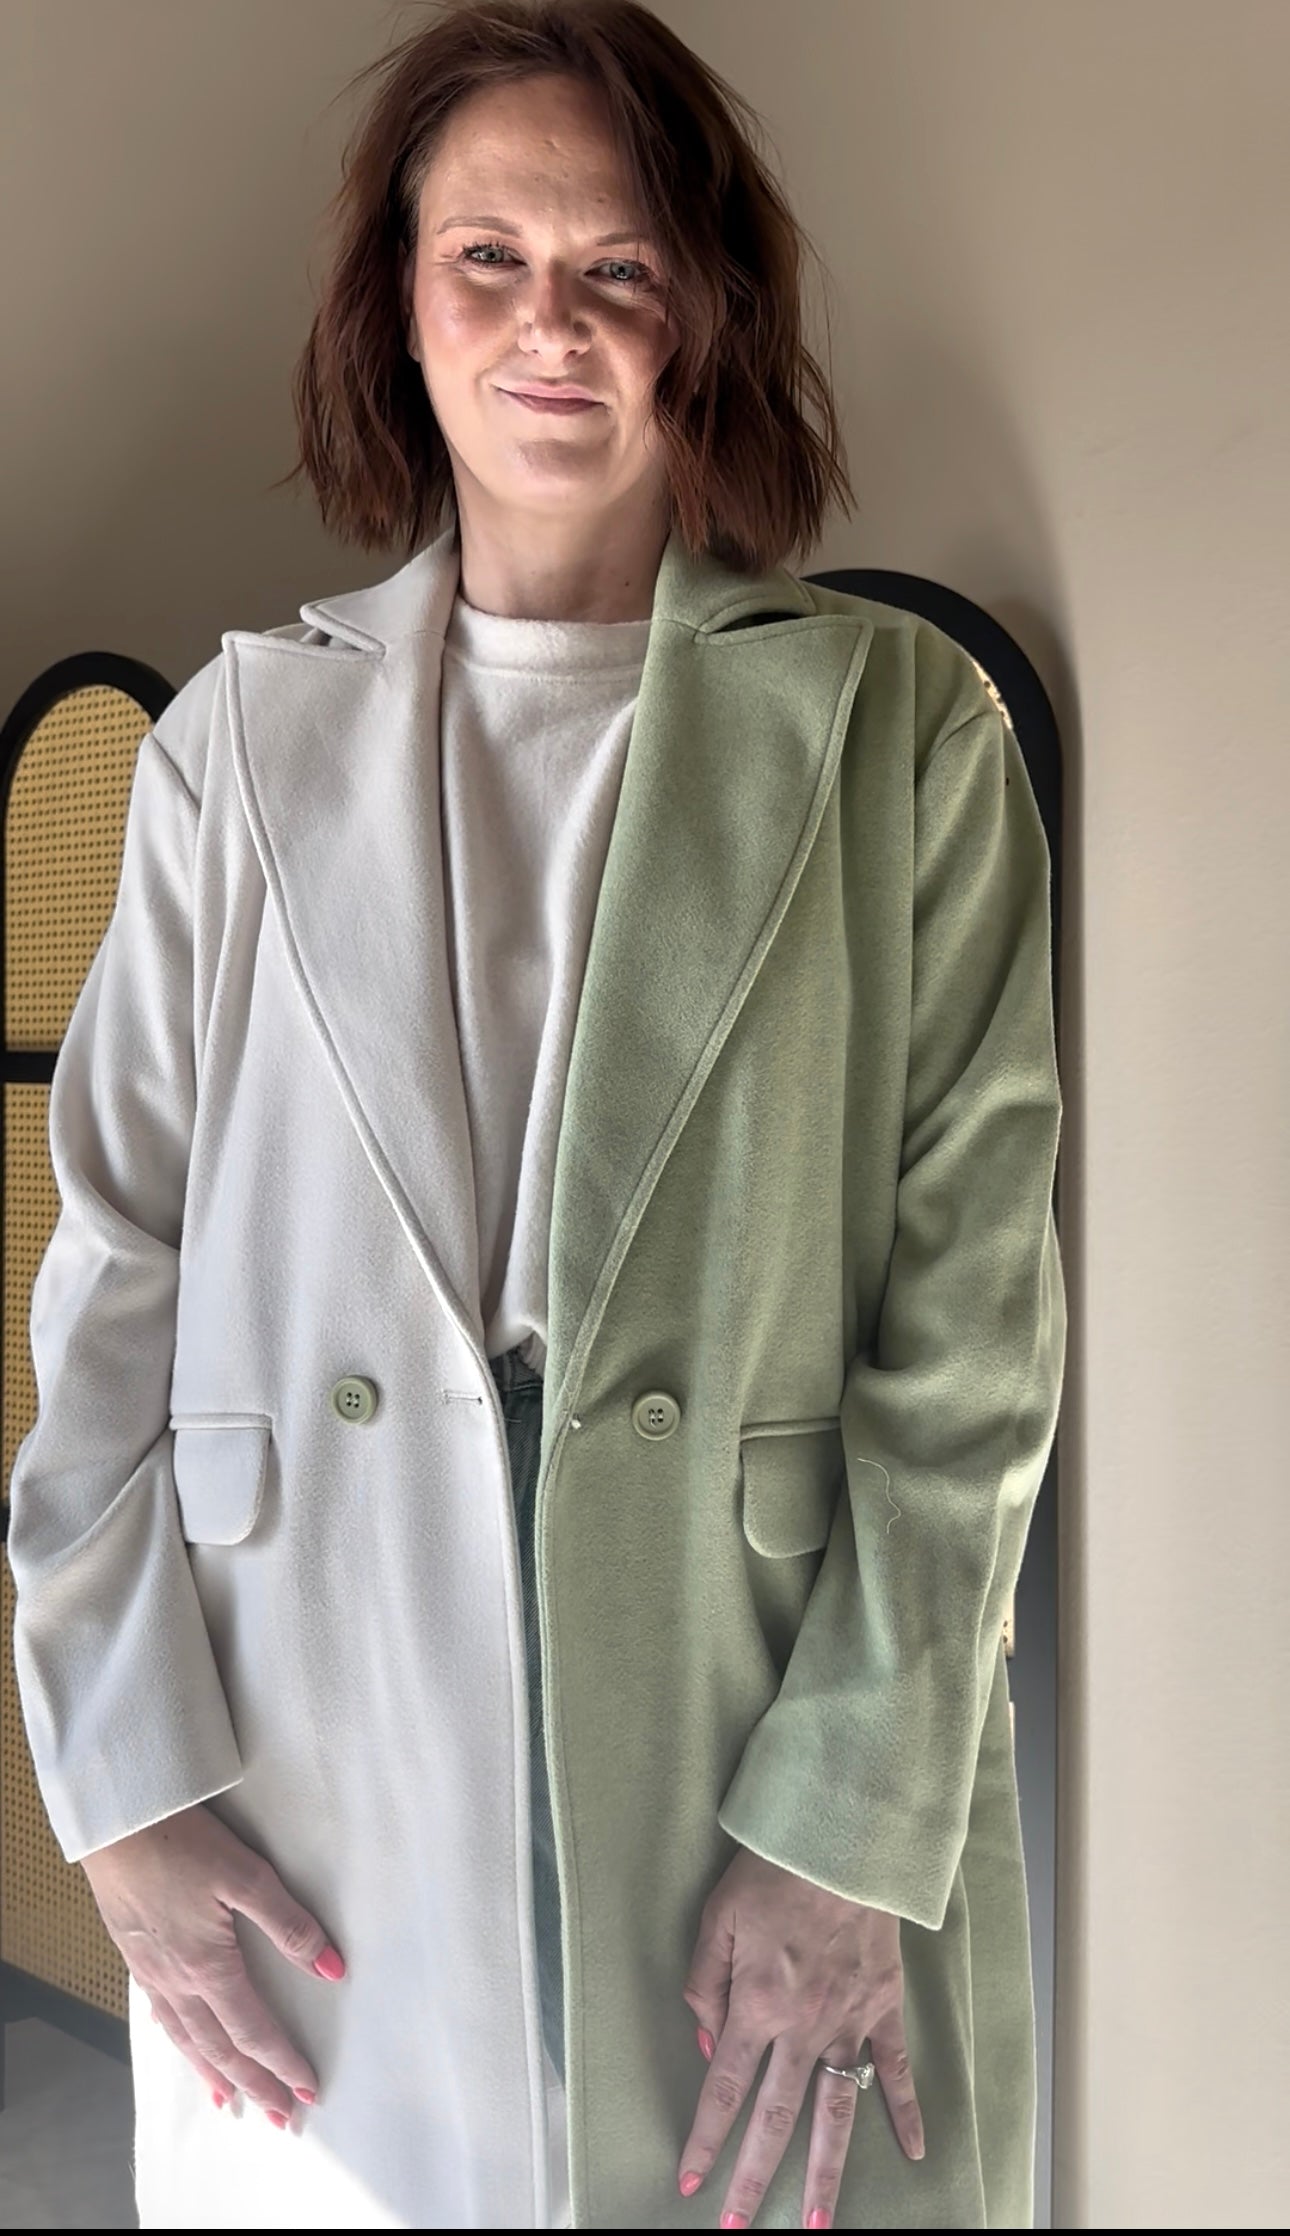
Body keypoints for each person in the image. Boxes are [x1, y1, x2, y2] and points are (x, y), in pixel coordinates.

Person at [7, 3, 1066, 2229]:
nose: (549, 325)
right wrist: (120, 1789)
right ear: (397, 306)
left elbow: (974, 1334)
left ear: (709, 313)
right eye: (486, 258)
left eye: (620, 268)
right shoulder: (224, 755)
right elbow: (113, 1276)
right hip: (308, 1770)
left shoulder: (907, 737)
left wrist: (849, 1822)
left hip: (751, 1749)